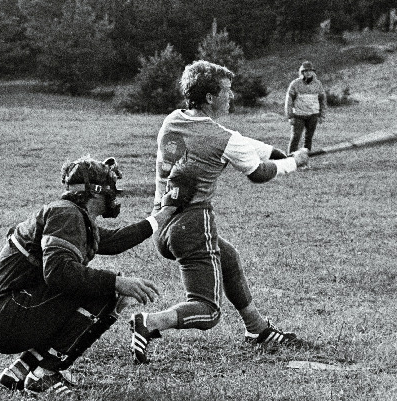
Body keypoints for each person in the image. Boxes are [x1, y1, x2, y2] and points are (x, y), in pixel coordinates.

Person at [129, 60, 312, 365]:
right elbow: (258, 172)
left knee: (227, 257)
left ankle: (258, 330)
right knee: (207, 310)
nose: (232, 96)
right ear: (210, 97)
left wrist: (277, 151)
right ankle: (149, 322)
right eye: (227, 91)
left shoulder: (174, 120)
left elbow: (238, 142)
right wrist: (294, 162)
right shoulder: (223, 139)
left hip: (163, 223)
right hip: (192, 225)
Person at [0, 156, 189, 396]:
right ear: (96, 192)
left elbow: (114, 241)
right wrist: (116, 282)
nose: (114, 194)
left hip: (5, 313)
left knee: (102, 285)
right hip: (9, 316)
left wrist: (163, 215)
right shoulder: (67, 215)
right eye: (111, 188)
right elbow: (58, 273)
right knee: (109, 290)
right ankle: (44, 375)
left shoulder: (68, 213)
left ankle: (19, 371)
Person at [284, 60, 326, 153]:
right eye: (305, 71)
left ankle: (305, 162)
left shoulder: (318, 84)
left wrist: (322, 115)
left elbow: (322, 100)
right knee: (295, 137)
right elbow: (289, 101)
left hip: (313, 116)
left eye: (310, 71)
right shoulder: (295, 84)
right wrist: (290, 116)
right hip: (299, 116)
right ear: (302, 72)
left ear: (313, 72)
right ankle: (290, 160)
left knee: (308, 138)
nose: (308, 73)